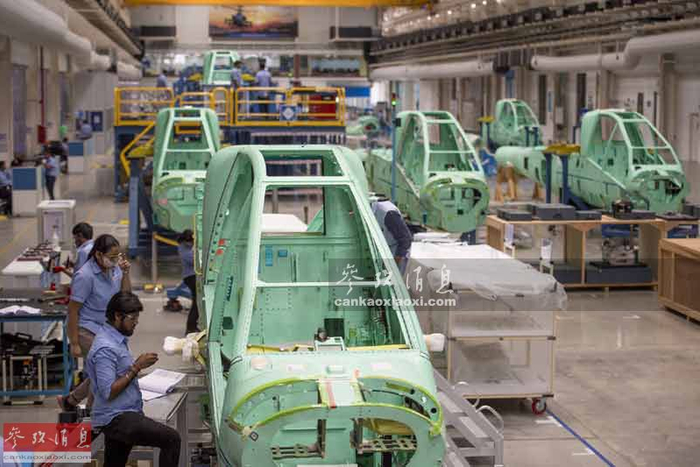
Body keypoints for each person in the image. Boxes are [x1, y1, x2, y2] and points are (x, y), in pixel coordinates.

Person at [86, 292, 181, 467]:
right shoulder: (105, 348)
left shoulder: (116, 339)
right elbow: (108, 392)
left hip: (123, 413)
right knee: (171, 439)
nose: (136, 322)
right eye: (133, 318)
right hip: (117, 418)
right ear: (117, 316)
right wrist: (137, 367)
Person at [57, 234, 131, 412]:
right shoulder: (85, 276)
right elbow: (73, 310)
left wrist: (125, 273)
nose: (115, 260)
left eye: (117, 257)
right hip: (86, 328)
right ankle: (90, 409)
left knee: (107, 369)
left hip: (106, 329)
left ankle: (72, 401)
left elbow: (125, 296)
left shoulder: (114, 269)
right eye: (111, 257)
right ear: (98, 254)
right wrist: (74, 342)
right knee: (106, 367)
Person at [371, 196, 413, 275]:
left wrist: (394, 263)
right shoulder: (373, 211)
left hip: (397, 254)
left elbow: (405, 239)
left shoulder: (388, 213)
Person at [176, 230, 199, 334]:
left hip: (192, 276)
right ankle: (191, 327)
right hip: (191, 276)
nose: (191, 243)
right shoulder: (183, 248)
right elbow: (193, 260)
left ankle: (192, 326)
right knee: (196, 302)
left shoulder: (186, 247)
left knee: (197, 302)